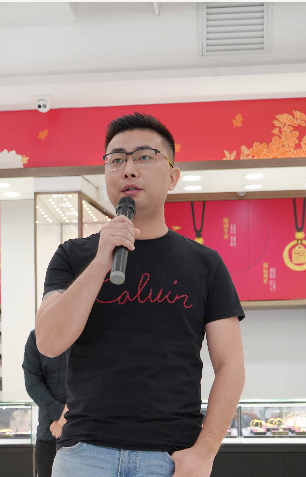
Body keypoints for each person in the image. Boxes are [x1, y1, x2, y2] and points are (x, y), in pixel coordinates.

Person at [35, 113, 246, 477]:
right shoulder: (73, 256)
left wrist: (205, 452)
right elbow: (49, 343)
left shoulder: (205, 264)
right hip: (85, 454)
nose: (128, 169)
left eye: (144, 157)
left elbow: (231, 365)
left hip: (170, 457)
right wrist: (100, 262)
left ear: (173, 177)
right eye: (116, 160)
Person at [22, 330, 69, 477]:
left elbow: (95, 381)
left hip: (84, 439)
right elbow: (32, 382)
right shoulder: (37, 337)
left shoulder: (88, 334)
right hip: (48, 436)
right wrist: (59, 413)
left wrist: (68, 415)